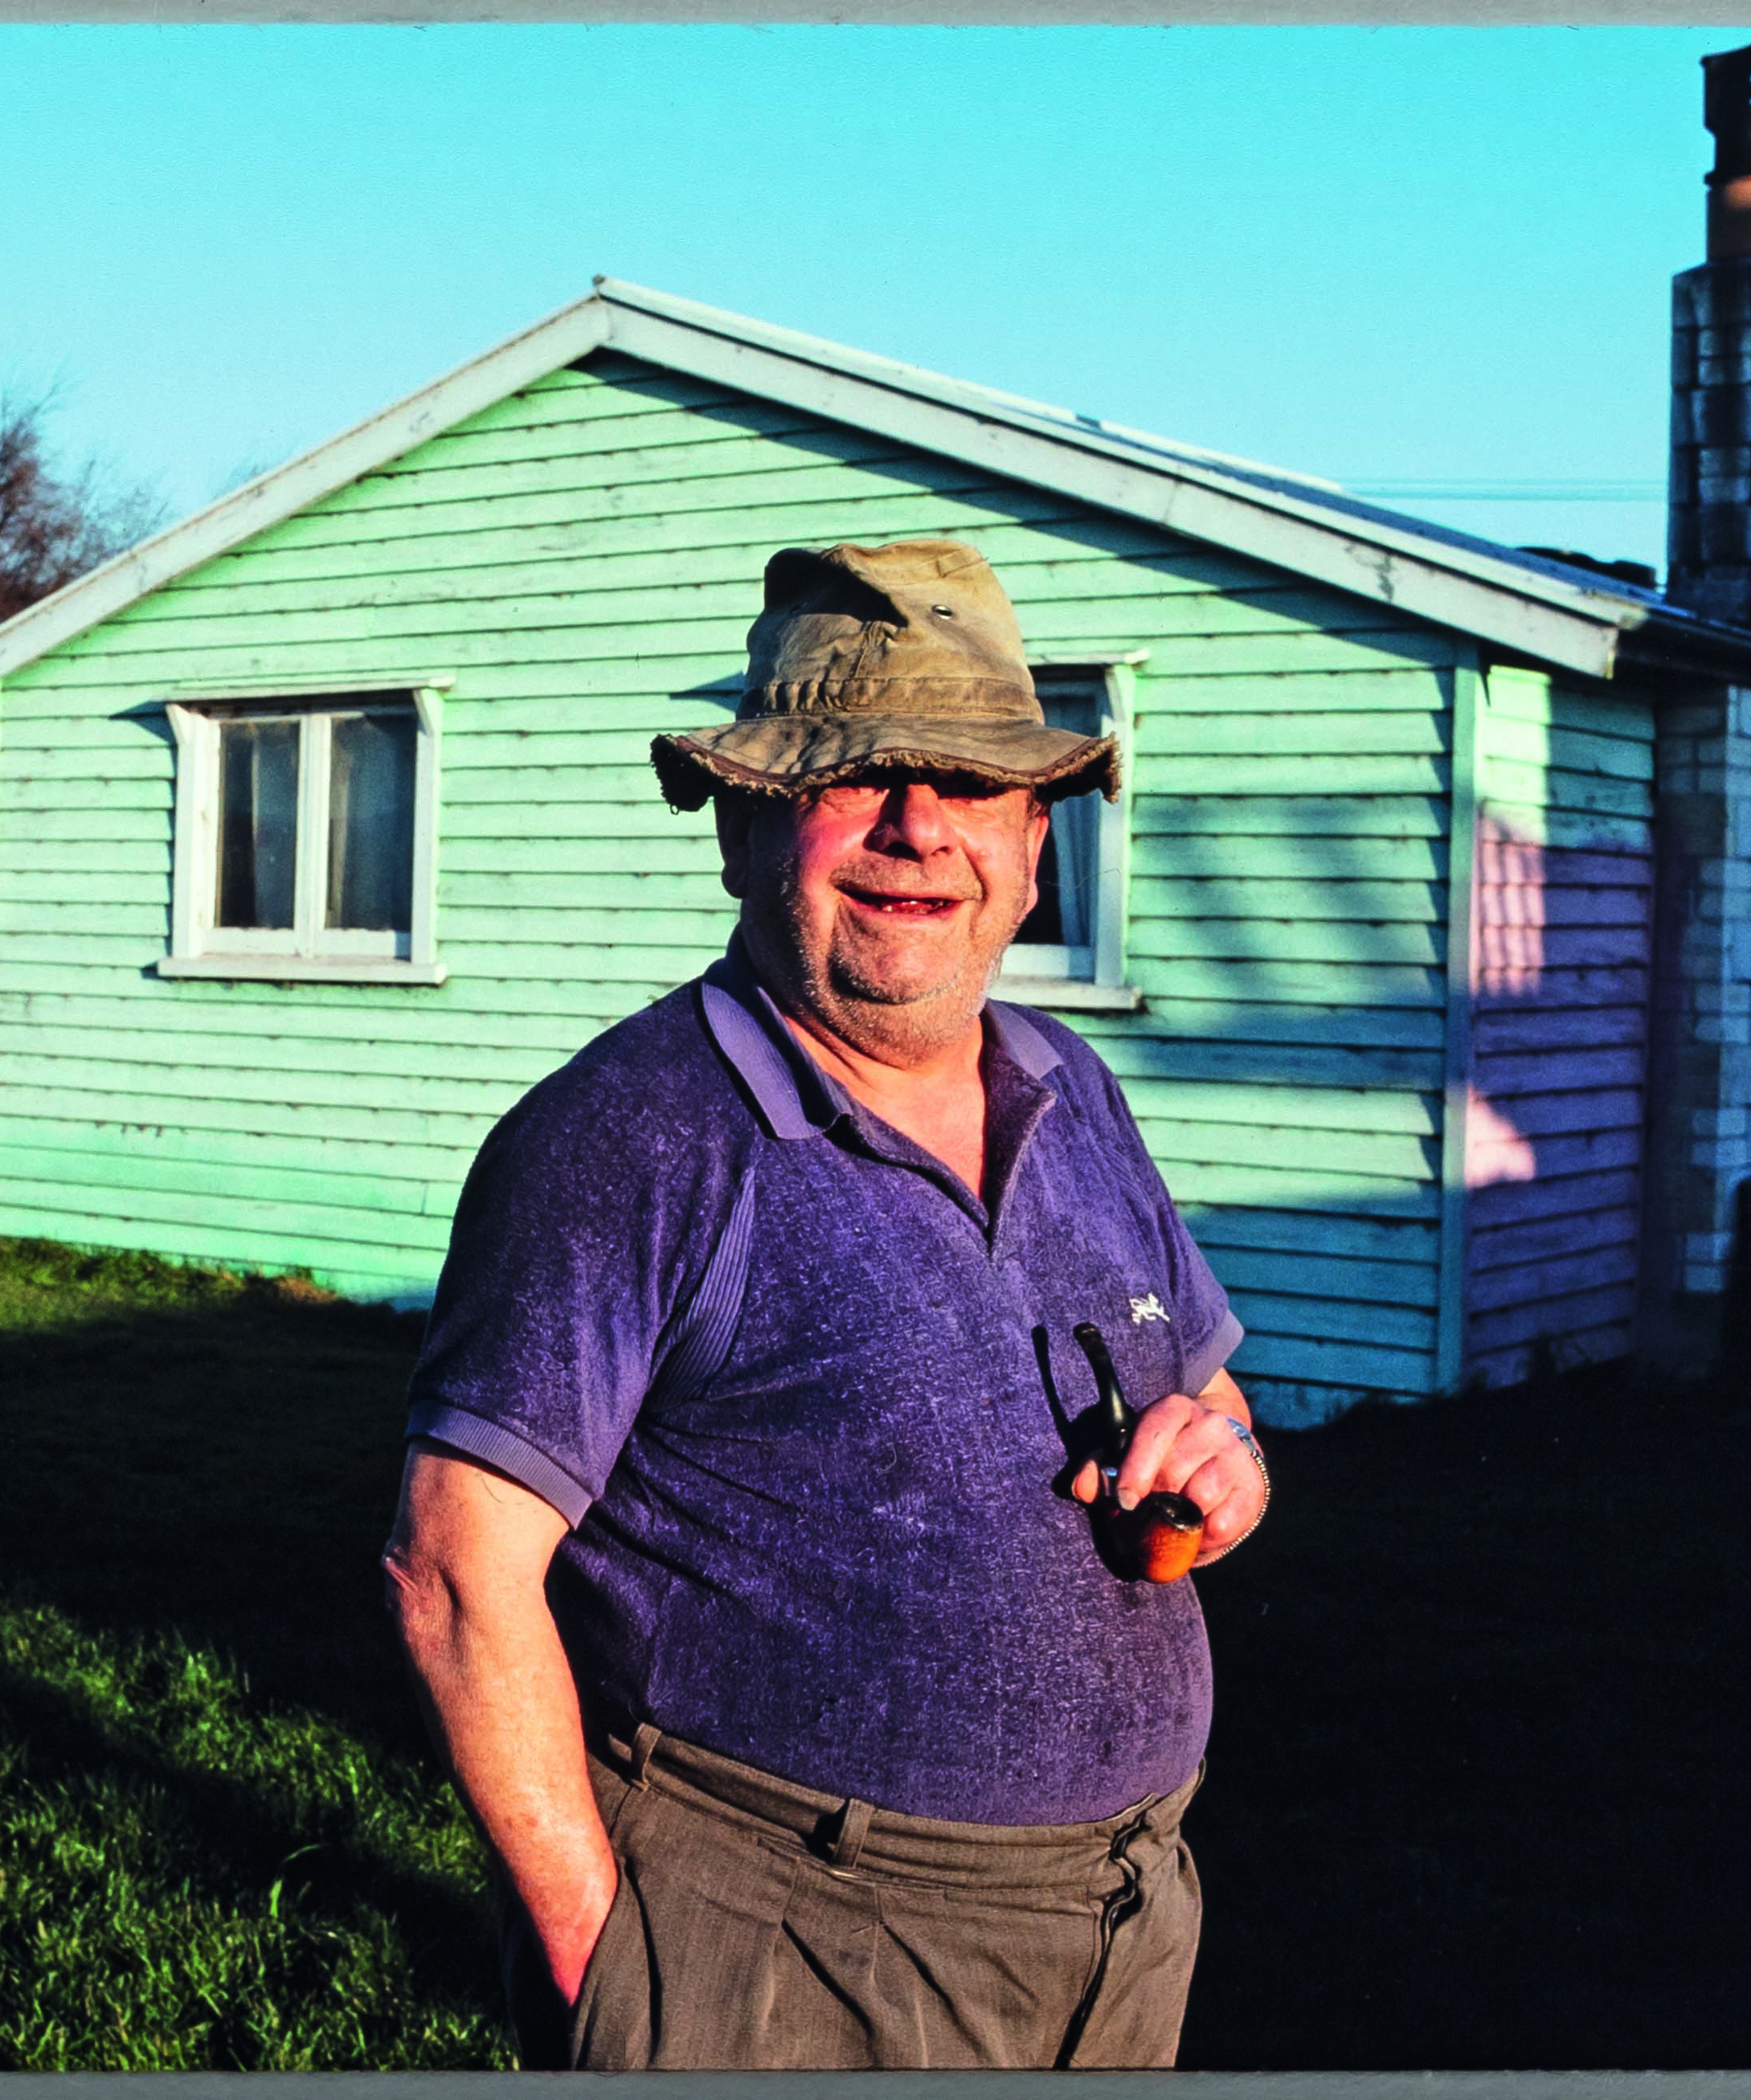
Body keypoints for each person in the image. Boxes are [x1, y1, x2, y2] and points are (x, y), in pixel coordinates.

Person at [382, 538, 1270, 2071]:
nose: (920, 830)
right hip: (789, 1954)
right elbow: (451, 1577)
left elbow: (1213, 1408)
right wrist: (625, 1977)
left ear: (1036, 839)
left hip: (1120, 1926)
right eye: (854, 777)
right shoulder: (631, 1137)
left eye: (974, 782)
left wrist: (1221, 1469)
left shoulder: (1074, 1090)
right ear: (743, 827)